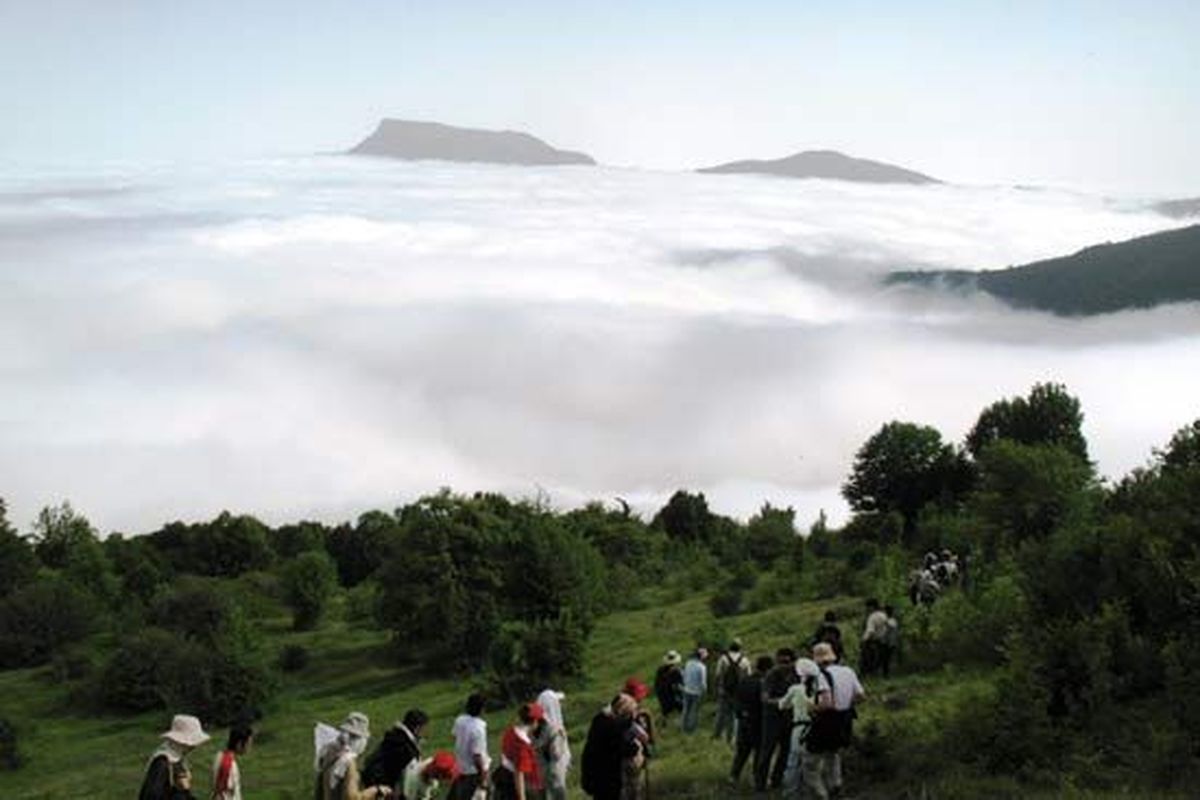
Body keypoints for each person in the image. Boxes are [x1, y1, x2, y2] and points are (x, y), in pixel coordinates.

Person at [808, 642, 866, 799]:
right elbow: (861, 696)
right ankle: (836, 787)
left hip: (826, 722)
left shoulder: (820, 676)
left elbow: (826, 703)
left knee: (811, 763)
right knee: (833, 754)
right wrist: (846, 703)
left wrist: (811, 708)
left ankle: (821, 794)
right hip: (845, 721)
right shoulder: (848, 671)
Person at [315, 712, 392, 800]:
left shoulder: (330, 751)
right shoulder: (348, 762)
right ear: (360, 740)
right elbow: (351, 798)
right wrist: (376, 790)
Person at [755, 648, 799, 791]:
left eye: (785, 662)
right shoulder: (771, 675)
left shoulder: (796, 675)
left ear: (792, 662)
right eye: (779, 662)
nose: (782, 665)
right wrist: (783, 702)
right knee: (767, 751)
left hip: (789, 719)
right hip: (772, 718)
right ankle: (760, 784)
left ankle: (776, 780)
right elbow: (764, 698)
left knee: (786, 751)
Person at [581, 694, 640, 800]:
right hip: (607, 777)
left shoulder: (599, 719)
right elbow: (623, 748)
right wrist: (635, 746)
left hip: (595, 773)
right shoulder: (611, 726)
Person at [139, 714, 211, 800]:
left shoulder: (176, 758)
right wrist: (182, 790)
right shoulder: (162, 762)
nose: (194, 746)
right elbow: (152, 796)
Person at [779, 658, 822, 794]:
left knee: (793, 761)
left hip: (798, 729)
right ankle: (815, 791)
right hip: (815, 729)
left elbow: (782, 705)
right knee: (813, 763)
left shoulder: (795, 689)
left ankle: (790, 791)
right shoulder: (819, 690)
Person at [729, 654, 772, 787]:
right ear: (768, 669)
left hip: (743, 720)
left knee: (742, 752)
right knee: (759, 752)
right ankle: (756, 778)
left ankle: (733, 776)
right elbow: (764, 703)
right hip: (758, 722)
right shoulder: (764, 683)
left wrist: (740, 714)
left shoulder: (744, 680)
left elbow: (736, 699)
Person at [363, 709, 429, 794]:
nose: (425, 732)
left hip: (372, 780)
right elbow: (408, 781)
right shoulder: (406, 748)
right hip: (382, 786)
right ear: (417, 728)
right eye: (424, 728)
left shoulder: (395, 736)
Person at [492, 702, 545, 800]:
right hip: (514, 786)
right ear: (535, 721)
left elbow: (503, 755)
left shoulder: (510, 732)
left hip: (504, 777)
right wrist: (522, 798)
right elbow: (519, 774)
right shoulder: (522, 746)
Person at [449, 693, 490, 800]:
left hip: (459, 767)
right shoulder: (479, 728)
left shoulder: (459, 720)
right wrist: (483, 777)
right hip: (473, 772)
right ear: (482, 709)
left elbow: (455, 736)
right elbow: (477, 756)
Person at [535, 689, 571, 800]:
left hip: (541, 773)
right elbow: (556, 754)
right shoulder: (553, 729)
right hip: (553, 773)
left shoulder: (535, 726)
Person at [712, 638, 750, 744]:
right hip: (738, 692)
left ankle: (716, 735)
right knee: (734, 716)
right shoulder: (745, 660)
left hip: (725, 691)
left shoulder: (723, 658)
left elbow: (718, 675)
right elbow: (748, 676)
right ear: (740, 648)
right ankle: (731, 738)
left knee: (721, 713)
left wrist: (717, 688)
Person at [211, 721, 253, 800]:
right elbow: (223, 793)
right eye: (248, 744)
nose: (249, 748)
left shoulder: (219, 756)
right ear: (239, 744)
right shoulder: (230, 765)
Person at [680, 647, 708, 734]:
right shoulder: (702, 667)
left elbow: (684, 676)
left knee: (686, 710)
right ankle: (691, 729)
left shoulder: (688, 663)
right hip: (696, 692)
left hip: (687, 689)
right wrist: (704, 691)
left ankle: (683, 727)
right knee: (694, 711)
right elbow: (703, 682)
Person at [860, 599, 889, 676]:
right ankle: (883, 674)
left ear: (872, 607)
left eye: (868, 607)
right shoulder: (884, 615)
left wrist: (864, 640)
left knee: (868, 659)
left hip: (873, 641)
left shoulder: (872, 617)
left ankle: (869, 674)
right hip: (883, 640)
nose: (867, 609)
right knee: (882, 659)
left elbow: (870, 631)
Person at [652, 651, 684, 721]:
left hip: (662, 696)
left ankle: (664, 720)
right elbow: (681, 685)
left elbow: (657, 684)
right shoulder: (677, 671)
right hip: (673, 697)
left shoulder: (660, 670)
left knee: (666, 711)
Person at [882, 605, 900, 677]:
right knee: (885, 659)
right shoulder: (891, 620)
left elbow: (890, 626)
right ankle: (885, 673)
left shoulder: (892, 621)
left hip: (889, 643)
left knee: (887, 659)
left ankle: (887, 674)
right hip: (887, 642)